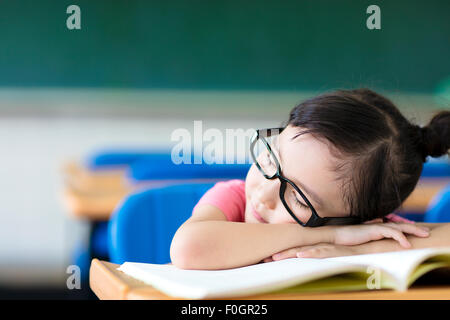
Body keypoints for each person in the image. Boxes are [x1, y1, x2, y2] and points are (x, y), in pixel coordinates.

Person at [170, 88, 450, 270]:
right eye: (271, 158)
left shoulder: (364, 233)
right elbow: (188, 247)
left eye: (298, 198)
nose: (264, 194)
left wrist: (365, 248)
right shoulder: (233, 198)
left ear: (362, 222)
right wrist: (329, 234)